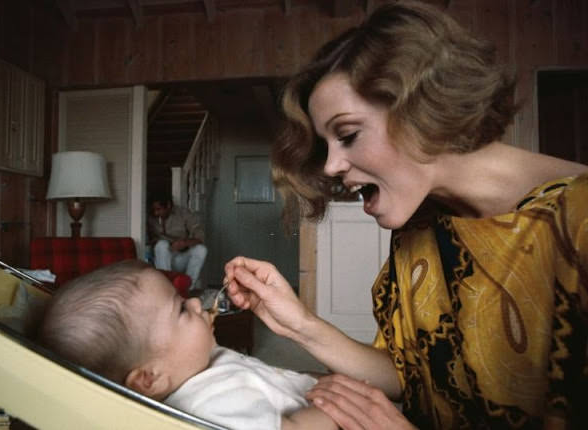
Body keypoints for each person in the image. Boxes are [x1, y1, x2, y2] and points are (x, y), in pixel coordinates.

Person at [223, 1, 588, 429]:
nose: (330, 166)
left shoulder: (577, 222)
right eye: (326, 147)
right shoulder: (424, 223)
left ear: (422, 106)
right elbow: (407, 376)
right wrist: (299, 323)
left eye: (348, 134)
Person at [38, 260, 337, 430]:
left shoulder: (198, 362)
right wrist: (340, 403)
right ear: (150, 378)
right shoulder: (208, 409)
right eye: (181, 309)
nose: (195, 302)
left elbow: (267, 378)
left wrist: (319, 380)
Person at [147, 192, 207, 290]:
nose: (156, 213)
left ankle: (187, 288)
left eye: (158, 209)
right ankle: (166, 287)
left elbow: (200, 236)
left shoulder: (183, 214)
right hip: (163, 259)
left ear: (169, 205)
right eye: (154, 210)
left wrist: (184, 243)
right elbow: (150, 240)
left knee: (201, 249)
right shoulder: (151, 218)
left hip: (181, 257)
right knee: (161, 245)